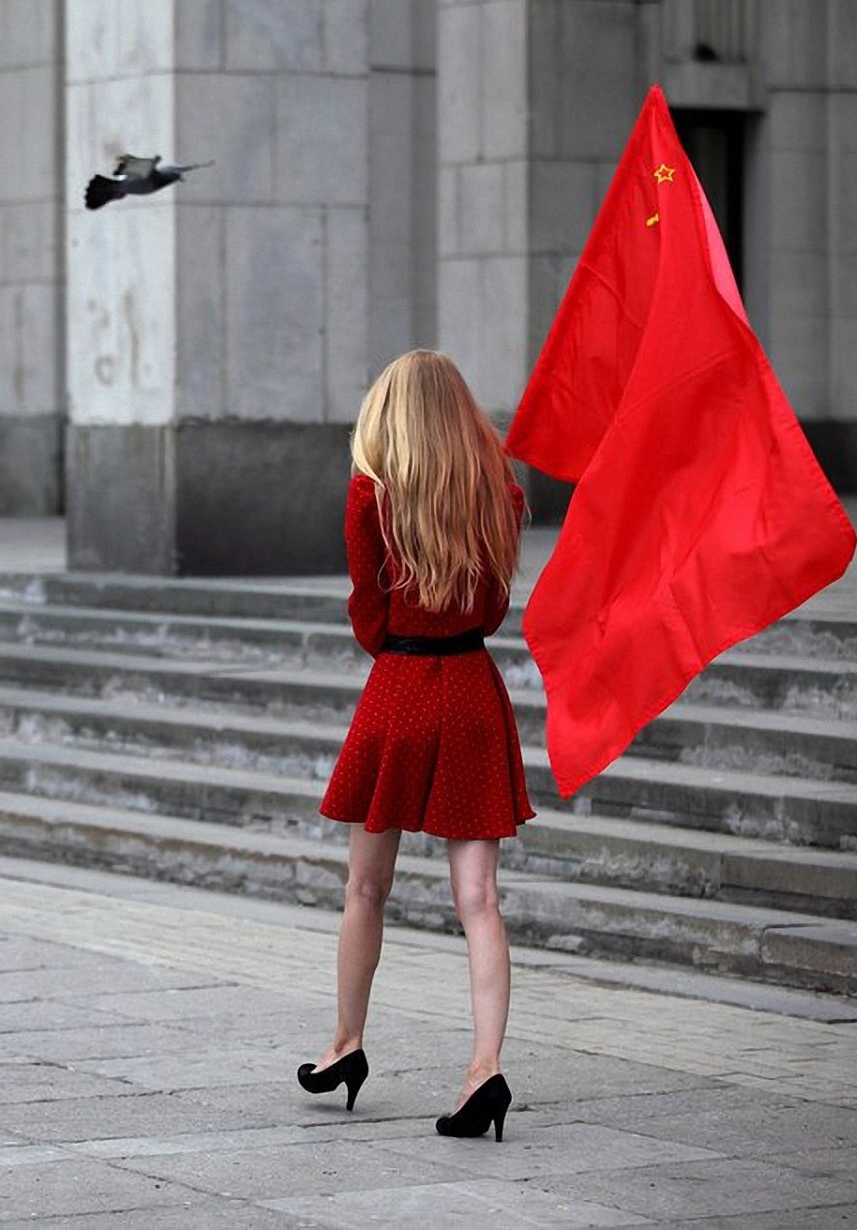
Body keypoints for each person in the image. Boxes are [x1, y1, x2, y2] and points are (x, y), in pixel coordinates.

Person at [295, 348, 531, 1143]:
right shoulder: (496, 494)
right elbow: (495, 610)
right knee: (481, 901)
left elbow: (367, 614)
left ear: (390, 414)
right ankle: (484, 1067)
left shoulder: (372, 497)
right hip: (470, 688)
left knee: (367, 888)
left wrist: (404, 637)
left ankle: (346, 1041)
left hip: (399, 690)